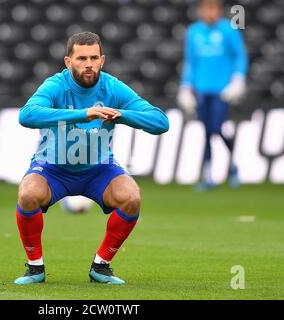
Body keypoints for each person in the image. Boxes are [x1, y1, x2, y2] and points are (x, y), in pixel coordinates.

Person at [14, 32, 169, 285]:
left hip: (99, 169)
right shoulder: (56, 85)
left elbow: (160, 122)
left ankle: (101, 265)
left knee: (132, 198)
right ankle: (35, 268)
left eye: (94, 58)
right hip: (52, 169)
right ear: (68, 61)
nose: (88, 64)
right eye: (81, 58)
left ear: (102, 60)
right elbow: (27, 115)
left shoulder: (112, 87)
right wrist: (82, 114)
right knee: (28, 194)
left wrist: (121, 114)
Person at [177, 0, 248, 190]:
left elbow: (240, 56)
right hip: (202, 88)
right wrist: (186, 86)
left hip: (221, 90)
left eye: (213, 9)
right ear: (201, 11)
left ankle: (233, 166)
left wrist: (238, 78)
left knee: (215, 128)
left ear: (219, 11)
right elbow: (190, 61)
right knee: (207, 132)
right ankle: (208, 176)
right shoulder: (194, 31)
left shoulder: (228, 30)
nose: (210, 13)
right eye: (206, 9)